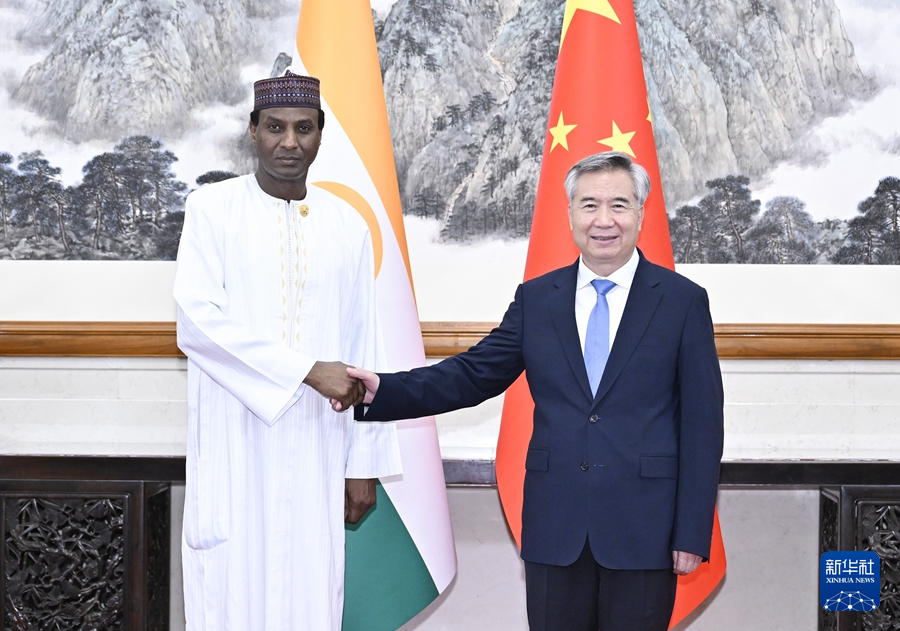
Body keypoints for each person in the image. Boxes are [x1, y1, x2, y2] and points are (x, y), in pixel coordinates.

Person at [347, 151, 724, 631]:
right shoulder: (538, 298)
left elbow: (702, 427)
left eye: (619, 205)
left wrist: (690, 532)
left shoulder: (682, 301)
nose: (603, 220)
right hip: (555, 529)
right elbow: (471, 374)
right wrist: (381, 390)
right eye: (589, 205)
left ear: (641, 213)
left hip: (645, 531)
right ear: (569, 214)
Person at [173, 69, 400, 630]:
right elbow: (197, 322)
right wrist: (306, 371)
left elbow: (364, 345)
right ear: (253, 131)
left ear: (321, 134)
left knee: (308, 594)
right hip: (235, 440)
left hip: (319, 443)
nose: (289, 142)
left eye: (304, 128)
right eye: (275, 127)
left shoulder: (348, 225)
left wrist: (363, 465)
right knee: (233, 595)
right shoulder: (211, 209)